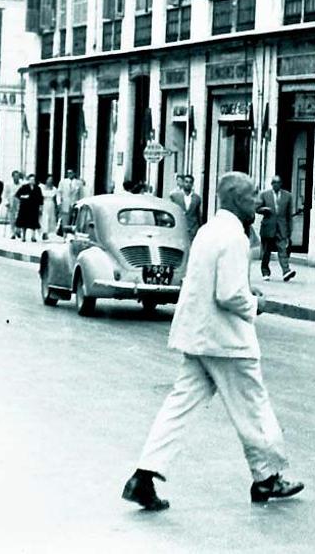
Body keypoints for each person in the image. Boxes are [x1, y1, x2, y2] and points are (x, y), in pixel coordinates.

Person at [122, 171, 304, 511]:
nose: (258, 203)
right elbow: (230, 294)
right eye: (252, 197)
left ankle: (143, 476)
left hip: (198, 337)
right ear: (236, 199)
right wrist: (255, 303)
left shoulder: (208, 230)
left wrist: (245, 292)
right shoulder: (234, 237)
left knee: (179, 408)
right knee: (253, 407)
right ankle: (267, 478)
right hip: (228, 341)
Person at [256, 175, 297, 282]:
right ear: (271, 184)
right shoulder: (265, 195)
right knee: (266, 252)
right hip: (268, 227)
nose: (276, 185)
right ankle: (265, 271)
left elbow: (289, 215)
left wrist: (289, 231)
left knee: (282, 249)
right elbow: (256, 208)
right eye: (274, 183)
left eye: (278, 183)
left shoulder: (287, 196)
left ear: (281, 184)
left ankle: (286, 271)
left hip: (281, 227)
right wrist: (263, 209)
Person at [170, 174, 203, 241]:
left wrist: (200, 228)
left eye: (190, 182)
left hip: (192, 229)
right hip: (179, 228)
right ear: (183, 183)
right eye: (186, 182)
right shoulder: (175, 196)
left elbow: (198, 215)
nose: (188, 184)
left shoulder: (197, 198)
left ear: (192, 184)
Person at [15, 173, 43, 243]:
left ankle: (33, 236)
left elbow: (40, 198)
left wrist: (40, 207)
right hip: (25, 207)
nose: (32, 181)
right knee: (24, 222)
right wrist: (24, 196)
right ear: (28, 180)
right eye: (31, 179)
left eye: (33, 179)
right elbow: (17, 194)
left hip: (34, 207)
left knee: (33, 222)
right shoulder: (24, 187)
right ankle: (23, 236)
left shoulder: (37, 188)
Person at [39, 176, 58, 240]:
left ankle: (47, 233)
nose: (50, 181)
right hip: (44, 203)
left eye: (51, 180)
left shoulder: (54, 189)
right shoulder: (42, 188)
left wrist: (56, 207)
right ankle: (44, 233)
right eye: (48, 179)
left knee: (50, 219)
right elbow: (40, 198)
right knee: (44, 218)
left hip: (51, 204)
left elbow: (55, 199)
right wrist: (40, 206)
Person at [7, 169, 22, 239]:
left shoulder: (22, 184)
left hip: (19, 201)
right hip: (11, 201)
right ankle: (12, 232)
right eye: (15, 176)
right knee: (12, 218)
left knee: (19, 217)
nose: (17, 177)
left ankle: (18, 231)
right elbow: (5, 194)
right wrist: (6, 202)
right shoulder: (8, 184)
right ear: (12, 177)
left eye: (18, 176)